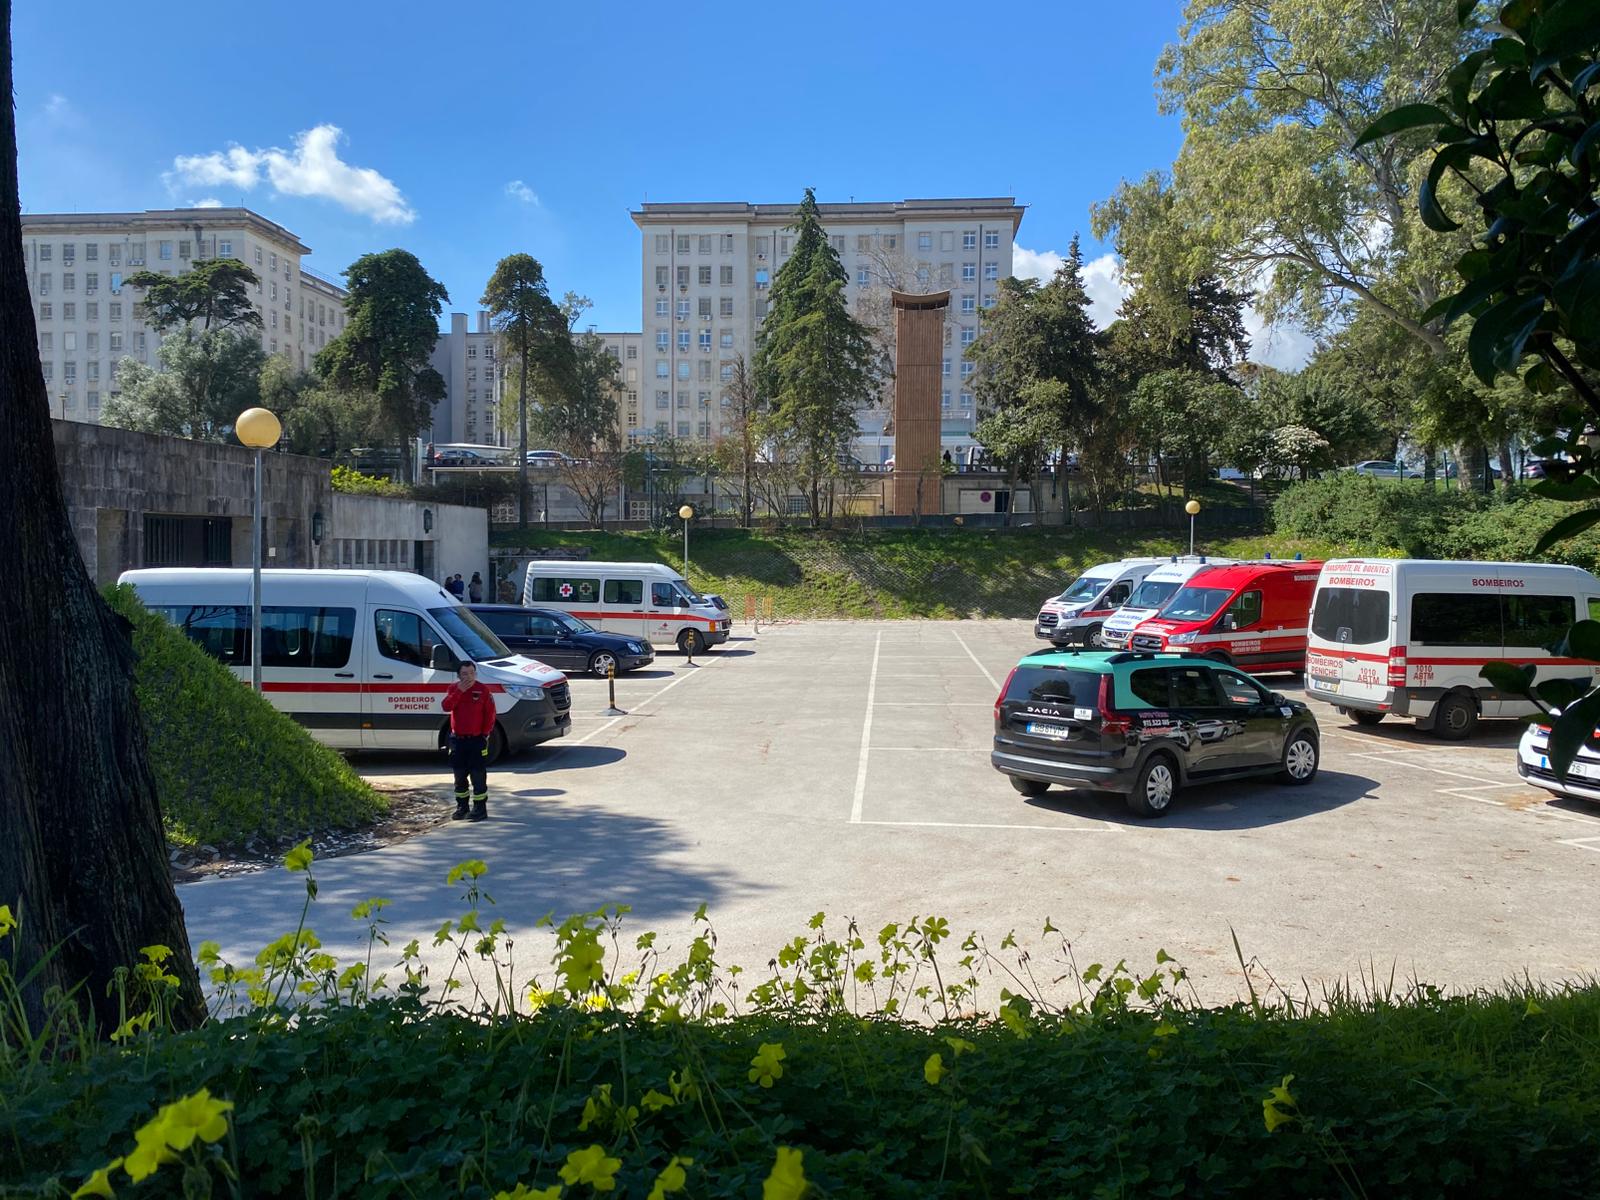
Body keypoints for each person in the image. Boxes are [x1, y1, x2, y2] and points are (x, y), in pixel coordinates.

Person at [441, 661, 496, 821]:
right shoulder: (453, 689)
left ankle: (480, 809)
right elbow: (446, 706)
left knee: (478, 775)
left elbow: (490, 714)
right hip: (457, 741)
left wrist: (485, 734)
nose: (469, 677)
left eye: (472, 673)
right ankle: (462, 807)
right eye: (465, 674)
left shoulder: (483, 690)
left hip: (476, 740)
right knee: (459, 775)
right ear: (458, 675)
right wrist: (459, 691)